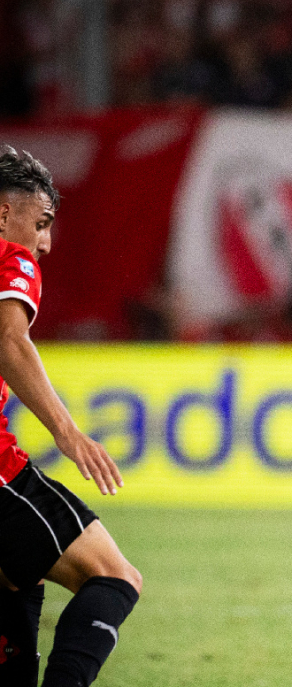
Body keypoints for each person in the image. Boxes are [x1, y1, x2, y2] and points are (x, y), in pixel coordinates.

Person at [0, 146, 141, 687]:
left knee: (17, 576)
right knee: (115, 577)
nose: (46, 242)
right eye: (41, 223)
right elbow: (10, 341)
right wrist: (67, 432)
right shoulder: (11, 258)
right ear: (4, 215)